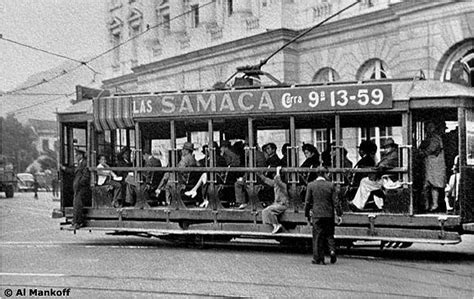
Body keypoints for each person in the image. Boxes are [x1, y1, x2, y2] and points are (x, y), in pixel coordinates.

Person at [304, 166, 342, 265]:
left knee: (317, 237)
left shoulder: (311, 185)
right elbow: (336, 202)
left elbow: (308, 202)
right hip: (329, 214)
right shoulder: (330, 185)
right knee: (329, 234)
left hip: (317, 214)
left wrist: (307, 213)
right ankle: (332, 251)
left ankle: (318, 259)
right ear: (325, 174)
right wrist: (339, 213)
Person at [349, 138, 399, 211]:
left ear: (393, 147)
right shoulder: (390, 154)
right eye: (385, 147)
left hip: (389, 180)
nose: (385, 149)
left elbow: (383, 165)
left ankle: (358, 205)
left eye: (387, 147)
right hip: (386, 178)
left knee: (365, 182)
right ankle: (379, 205)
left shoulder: (393, 155)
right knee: (367, 183)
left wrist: (375, 172)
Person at [185, 142, 226, 208]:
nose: (208, 150)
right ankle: (204, 199)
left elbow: (220, 169)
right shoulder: (208, 158)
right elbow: (203, 163)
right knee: (203, 177)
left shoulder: (219, 158)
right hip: (211, 176)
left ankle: (195, 191)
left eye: (209, 149)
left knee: (204, 175)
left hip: (218, 178)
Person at [420, 121, 446, 212]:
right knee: (428, 185)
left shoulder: (435, 138)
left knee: (433, 185)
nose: (427, 130)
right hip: (430, 165)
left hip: (434, 165)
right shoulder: (430, 138)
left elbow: (431, 149)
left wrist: (421, 152)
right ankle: (427, 205)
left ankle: (434, 205)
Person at [61, 148, 91, 229]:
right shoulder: (80, 163)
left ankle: (77, 222)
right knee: (76, 204)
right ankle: (76, 221)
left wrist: (79, 183)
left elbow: (86, 176)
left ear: (81, 155)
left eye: (77, 155)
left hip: (81, 188)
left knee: (78, 205)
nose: (75, 156)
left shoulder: (84, 163)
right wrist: (65, 169)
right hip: (78, 187)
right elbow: (75, 171)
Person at [258, 166, 289, 234]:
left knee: (268, 210)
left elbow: (277, 180)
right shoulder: (276, 184)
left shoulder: (283, 185)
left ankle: (276, 225)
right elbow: (268, 181)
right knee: (265, 211)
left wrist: (278, 171)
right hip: (277, 204)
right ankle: (274, 225)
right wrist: (261, 175)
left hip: (283, 204)